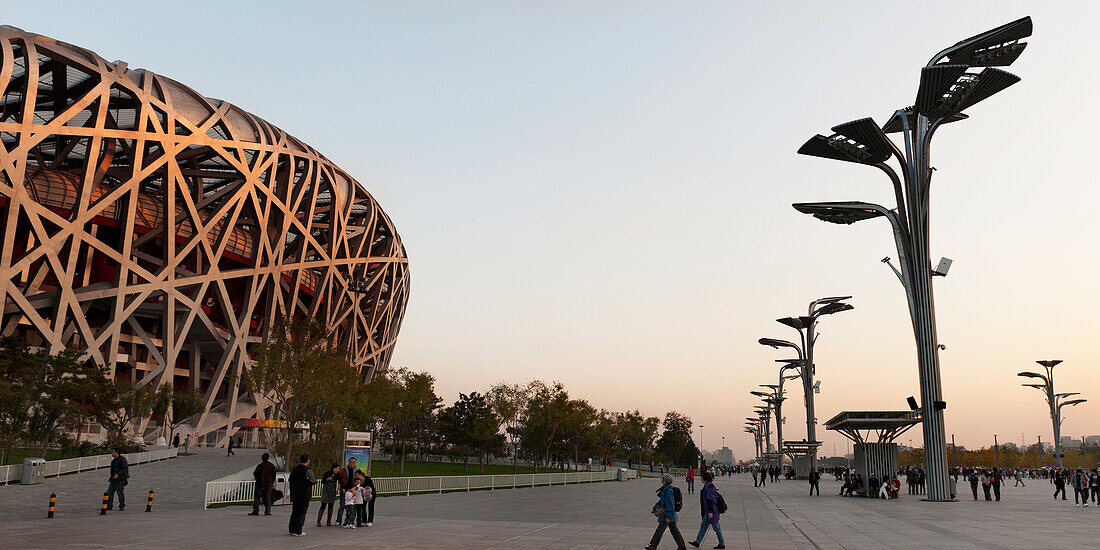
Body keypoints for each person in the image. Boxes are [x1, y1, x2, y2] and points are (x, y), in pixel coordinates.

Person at [646, 474, 686, 550]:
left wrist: (668, 516)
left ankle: (653, 545)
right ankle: (682, 546)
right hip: (667, 514)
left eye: (662, 479)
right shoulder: (665, 489)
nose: (661, 480)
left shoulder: (668, 491)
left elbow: (670, 504)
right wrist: (654, 508)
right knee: (674, 531)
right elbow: (661, 501)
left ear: (665, 481)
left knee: (660, 530)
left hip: (666, 515)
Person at [688, 471, 724, 549]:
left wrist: (710, 511)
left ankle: (722, 543)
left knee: (716, 527)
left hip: (711, 512)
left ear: (705, 479)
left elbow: (711, 500)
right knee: (704, 526)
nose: (701, 479)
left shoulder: (709, 488)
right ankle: (697, 542)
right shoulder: (708, 486)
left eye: (702, 477)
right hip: (708, 511)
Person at [288, 454, 317, 536]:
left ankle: (292, 529)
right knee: (302, 512)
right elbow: (314, 480)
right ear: (308, 461)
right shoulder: (308, 470)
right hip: (305, 494)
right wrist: (307, 482)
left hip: (295, 494)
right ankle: (298, 530)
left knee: (295, 512)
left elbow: (290, 479)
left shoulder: (294, 470)